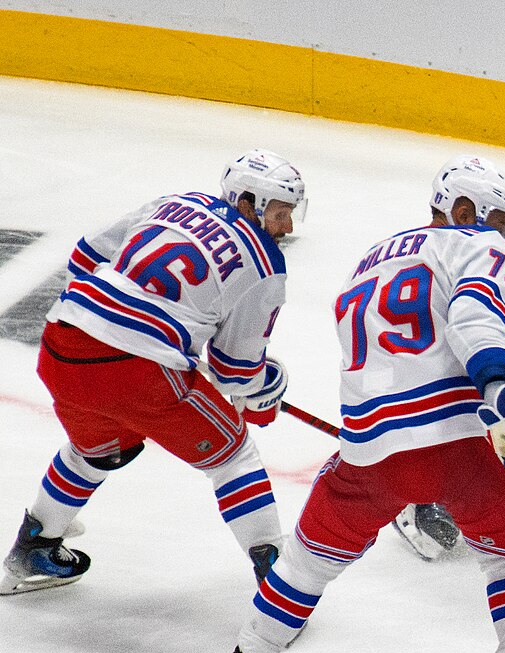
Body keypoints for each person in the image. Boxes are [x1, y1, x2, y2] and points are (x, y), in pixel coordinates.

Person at [208, 156, 505, 653]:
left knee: (305, 566)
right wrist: (499, 393)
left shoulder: (370, 261)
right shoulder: (477, 246)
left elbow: (403, 350)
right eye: (502, 222)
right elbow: (472, 319)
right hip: (459, 443)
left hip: (367, 451)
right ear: (466, 212)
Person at [2, 150, 304, 596]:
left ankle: (34, 548)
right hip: (139, 368)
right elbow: (235, 372)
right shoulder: (265, 265)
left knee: (101, 450)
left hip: (63, 341)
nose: (288, 227)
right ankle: (280, 585)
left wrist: (114, 314)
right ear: (247, 203)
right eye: (280, 213)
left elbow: (85, 255)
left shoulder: (175, 202)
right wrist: (266, 386)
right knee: (233, 455)